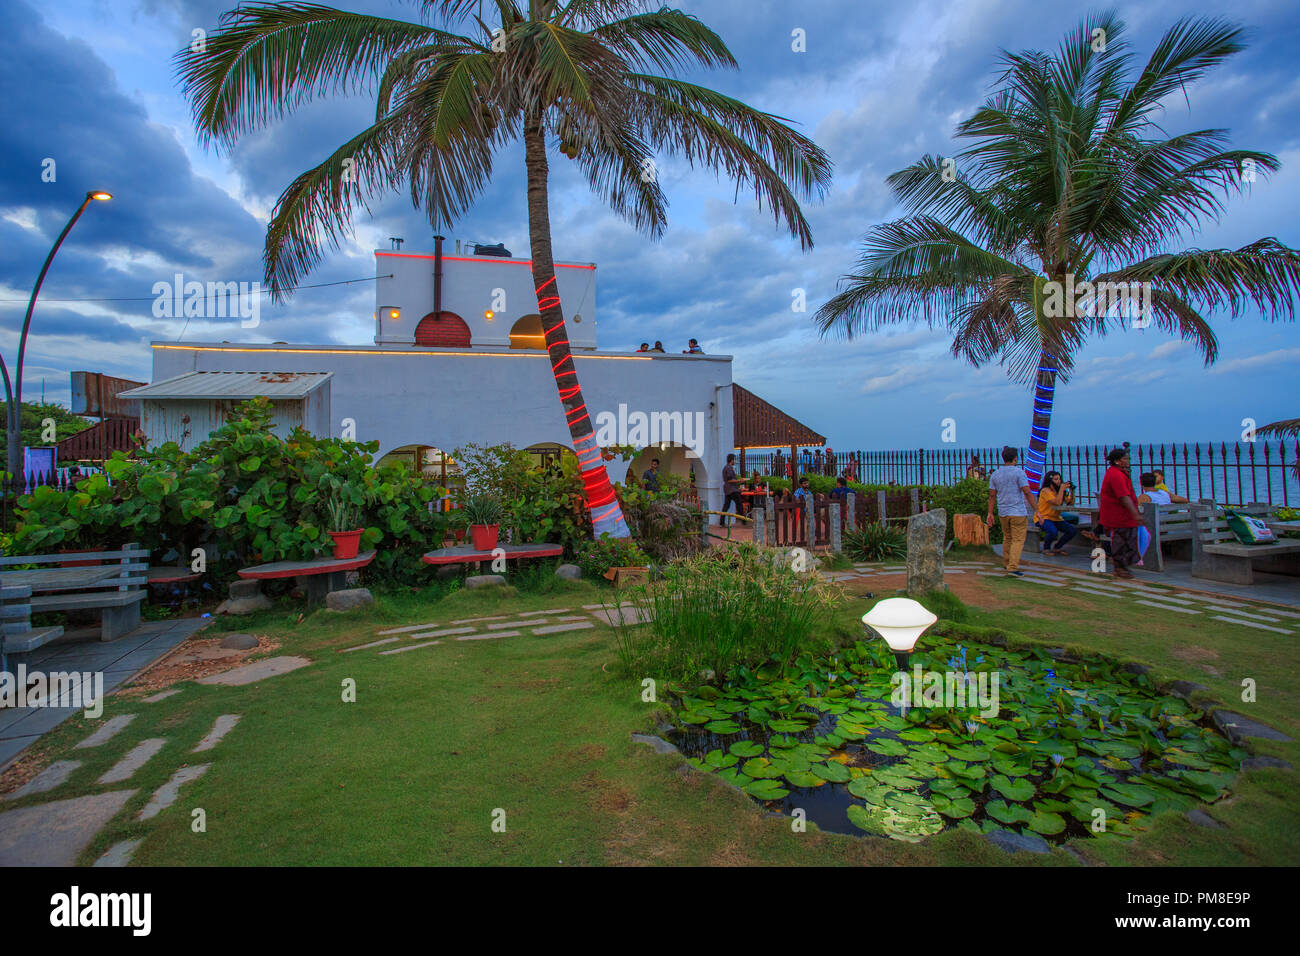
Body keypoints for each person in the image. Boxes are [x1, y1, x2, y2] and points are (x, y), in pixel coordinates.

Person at [987, 445, 1039, 576]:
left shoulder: (995, 474)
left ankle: (1006, 562)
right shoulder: (1019, 473)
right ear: (1015, 459)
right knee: (1018, 540)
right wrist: (1036, 510)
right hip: (1018, 512)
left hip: (1003, 512)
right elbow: (1027, 492)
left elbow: (992, 495)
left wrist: (990, 512)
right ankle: (1013, 566)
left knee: (1007, 538)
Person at [1099, 447, 1143, 579]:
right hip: (1119, 515)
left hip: (1125, 516)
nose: (1128, 460)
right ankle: (1119, 567)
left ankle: (1122, 566)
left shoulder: (1119, 473)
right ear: (1118, 461)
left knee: (1128, 540)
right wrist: (1135, 513)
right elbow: (1123, 496)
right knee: (1122, 541)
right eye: (1126, 458)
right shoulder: (1115, 474)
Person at [1034, 471, 1078, 555]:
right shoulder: (1045, 491)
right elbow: (1057, 502)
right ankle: (1046, 548)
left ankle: (1057, 547)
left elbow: (1070, 503)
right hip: (1043, 517)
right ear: (1050, 480)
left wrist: (1072, 491)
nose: (1058, 481)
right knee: (1053, 531)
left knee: (1072, 530)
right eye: (1056, 479)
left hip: (1056, 518)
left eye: (1059, 479)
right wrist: (1062, 489)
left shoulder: (1059, 491)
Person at [721, 453, 742, 524]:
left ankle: (722, 521)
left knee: (726, 505)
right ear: (732, 460)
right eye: (734, 460)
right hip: (732, 489)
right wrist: (739, 481)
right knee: (739, 504)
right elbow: (729, 480)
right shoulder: (729, 468)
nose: (734, 462)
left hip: (728, 489)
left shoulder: (726, 467)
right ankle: (744, 520)